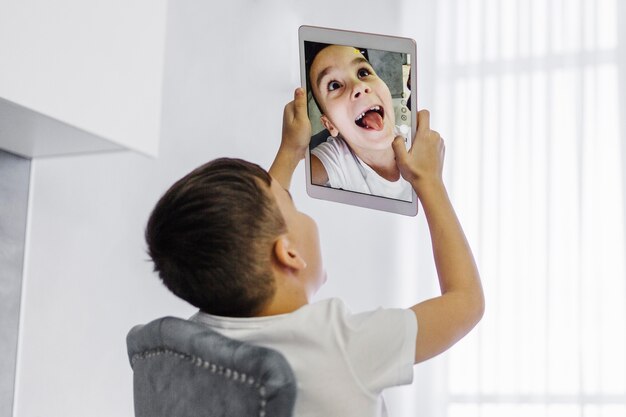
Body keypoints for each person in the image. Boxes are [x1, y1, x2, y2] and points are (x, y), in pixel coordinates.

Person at [144, 88, 484, 417]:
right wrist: (430, 181)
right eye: (292, 205)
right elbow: (466, 303)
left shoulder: (196, 342)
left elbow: (254, 232)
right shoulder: (341, 344)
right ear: (289, 254)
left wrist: (290, 152)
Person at [306, 44, 412, 201]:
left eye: (363, 72)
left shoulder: (419, 142)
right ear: (330, 125)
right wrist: (291, 146)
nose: (359, 86)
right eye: (334, 85)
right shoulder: (335, 158)